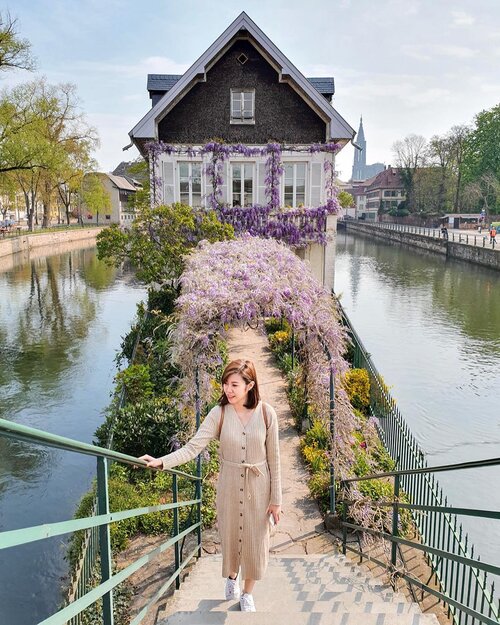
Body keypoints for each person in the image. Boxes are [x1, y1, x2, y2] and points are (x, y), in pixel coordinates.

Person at [139, 358, 282, 613]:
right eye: (226, 383)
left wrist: (276, 501)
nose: (228, 389)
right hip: (228, 486)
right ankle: (231, 577)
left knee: (255, 543)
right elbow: (193, 447)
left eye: (235, 384)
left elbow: (275, 460)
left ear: (250, 385)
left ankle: (247, 593)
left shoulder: (266, 413)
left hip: (259, 488)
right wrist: (162, 462)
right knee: (231, 537)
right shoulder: (219, 413)